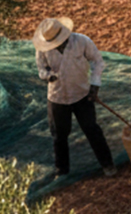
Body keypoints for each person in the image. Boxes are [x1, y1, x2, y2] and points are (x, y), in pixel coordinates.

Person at [33, 18, 116, 177]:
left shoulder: (82, 41)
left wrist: (95, 85)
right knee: (59, 135)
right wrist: (48, 76)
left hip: (82, 94)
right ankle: (62, 171)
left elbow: (97, 62)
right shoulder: (42, 49)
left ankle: (108, 165)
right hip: (57, 97)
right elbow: (41, 69)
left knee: (92, 129)